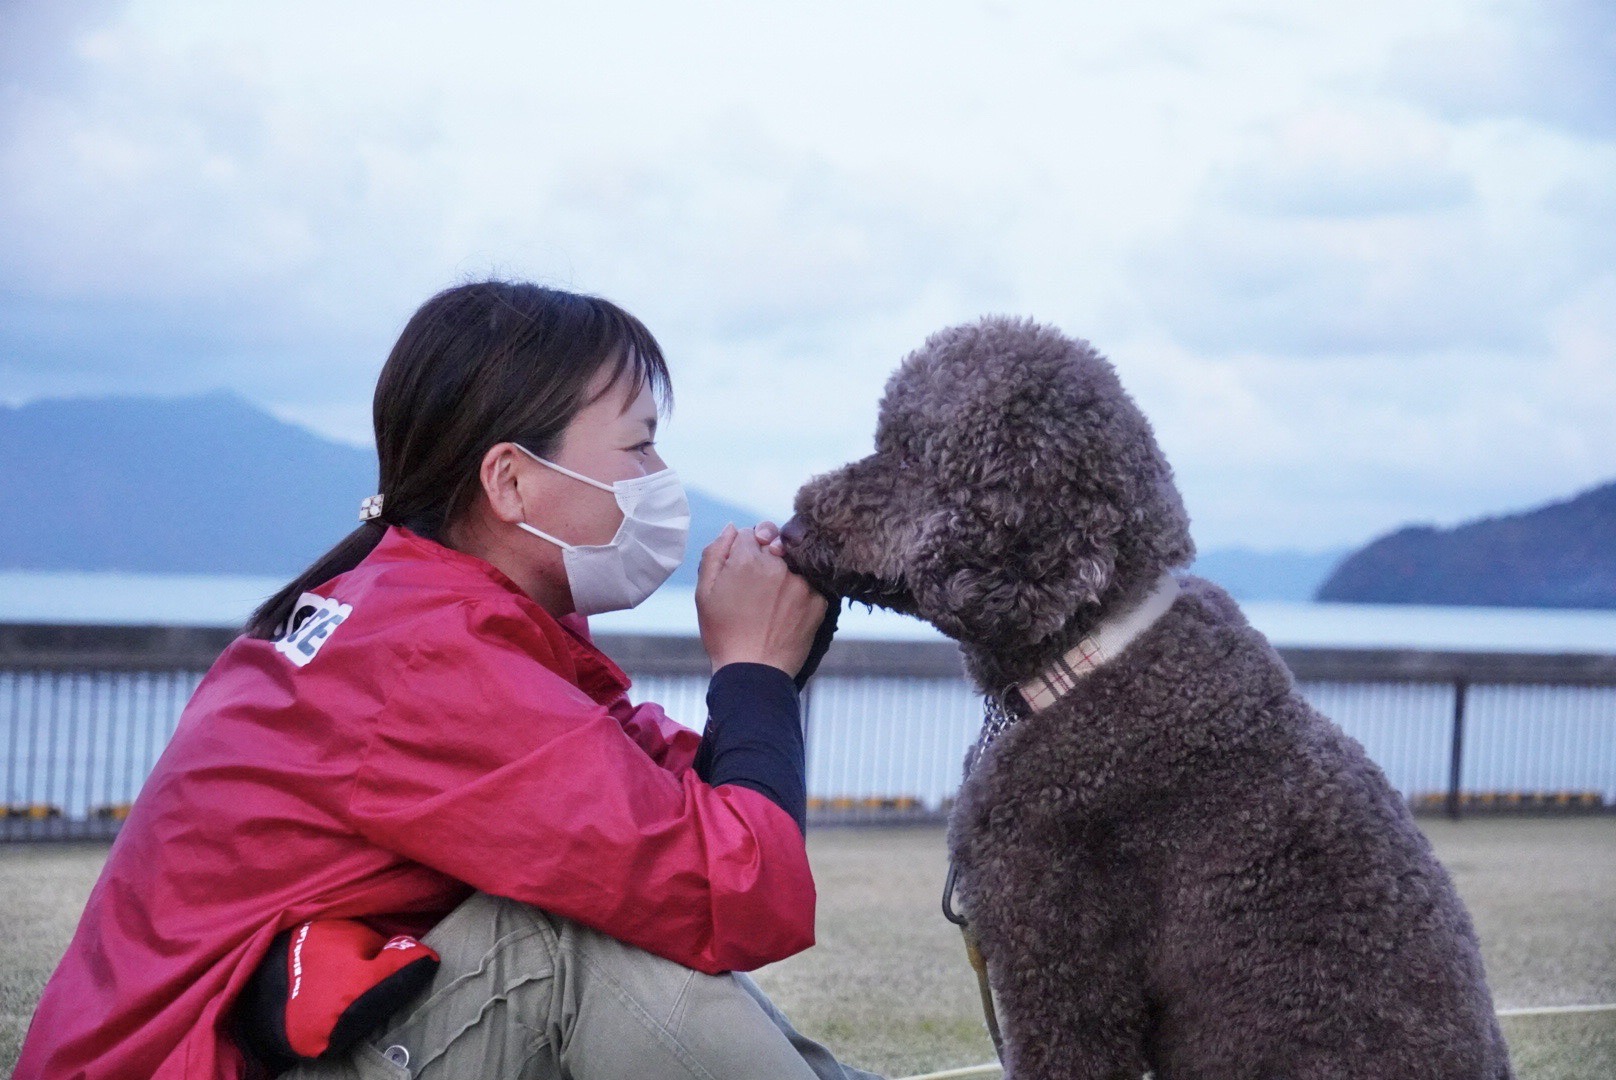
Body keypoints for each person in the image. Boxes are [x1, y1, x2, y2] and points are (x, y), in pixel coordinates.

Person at [15, 281, 880, 1080]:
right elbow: (732, 891)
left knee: (612, 904)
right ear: (511, 481)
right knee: (558, 943)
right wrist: (753, 672)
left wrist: (773, 663)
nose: (662, 480)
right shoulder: (426, 659)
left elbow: (676, 811)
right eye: (640, 444)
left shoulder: (423, 615)